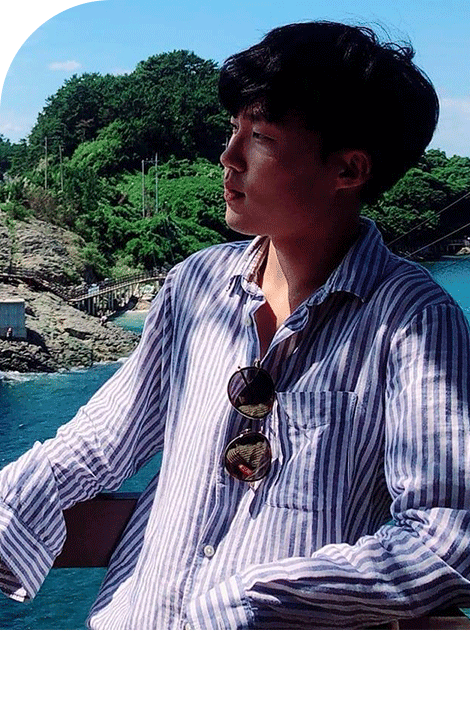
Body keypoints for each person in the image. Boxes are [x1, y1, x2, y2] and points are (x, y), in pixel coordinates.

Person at [1, 21, 470, 629]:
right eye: (233, 129)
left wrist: (254, 602)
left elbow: (443, 535)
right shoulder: (195, 284)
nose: (228, 157)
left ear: (349, 169)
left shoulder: (413, 321)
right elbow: (99, 442)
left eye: (261, 137)